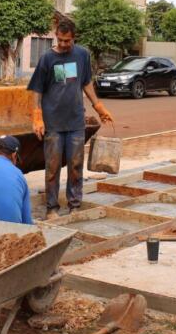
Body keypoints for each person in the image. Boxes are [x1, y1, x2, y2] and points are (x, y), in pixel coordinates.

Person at [27, 19, 113, 220]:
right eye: (60, 40)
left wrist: (98, 107)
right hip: (53, 122)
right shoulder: (47, 58)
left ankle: (74, 205)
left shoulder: (82, 55)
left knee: (76, 166)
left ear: (74, 38)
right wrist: (37, 117)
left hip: (76, 121)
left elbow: (86, 83)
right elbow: (37, 89)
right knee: (53, 167)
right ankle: (52, 208)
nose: (64, 44)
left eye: (68, 41)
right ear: (57, 36)